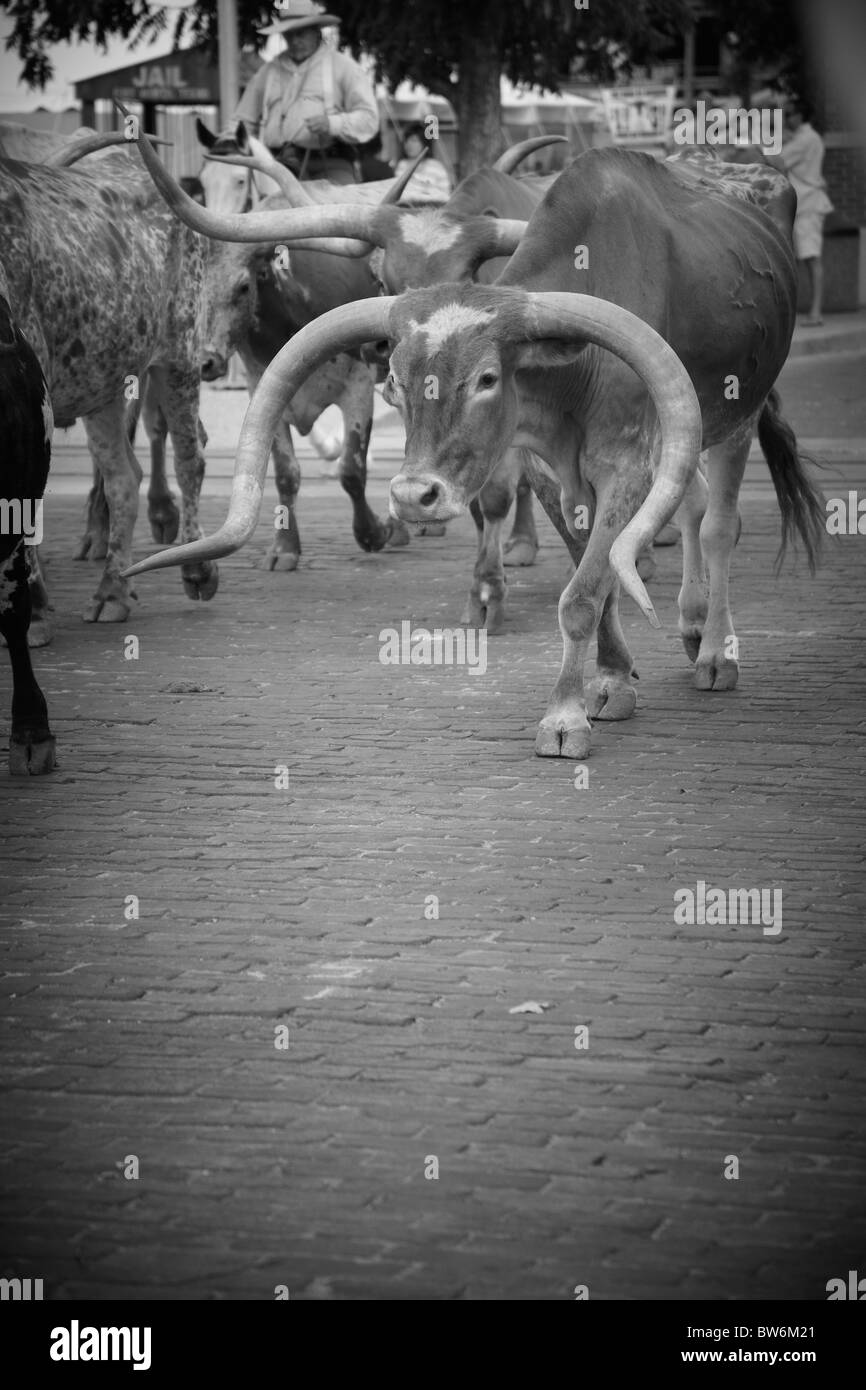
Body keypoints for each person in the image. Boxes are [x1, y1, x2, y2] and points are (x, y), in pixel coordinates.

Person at [212, 0, 379, 185]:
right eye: (289, 34)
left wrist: (333, 123)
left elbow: (369, 119)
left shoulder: (343, 67)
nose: (294, 41)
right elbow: (242, 120)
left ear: (317, 31)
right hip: (276, 166)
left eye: (301, 33)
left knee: (341, 210)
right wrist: (227, 144)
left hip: (330, 163)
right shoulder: (268, 72)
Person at [767, 96, 834, 325]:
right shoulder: (808, 137)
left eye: (789, 114)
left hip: (808, 204)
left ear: (799, 115)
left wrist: (761, 142)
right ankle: (812, 311)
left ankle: (816, 312)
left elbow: (777, 160)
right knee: (806, 258)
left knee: (811, 258)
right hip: (807, 203)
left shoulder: (805, 139)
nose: (786, 118)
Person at [395, 124, 452, 203]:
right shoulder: (402, 166)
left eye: (414, 140)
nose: (409, 145)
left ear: (424, 143)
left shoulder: (437, 167)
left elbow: (446, 196)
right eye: (406, 141)